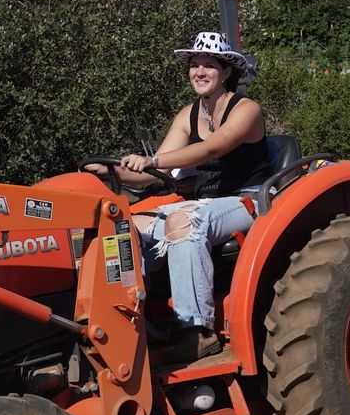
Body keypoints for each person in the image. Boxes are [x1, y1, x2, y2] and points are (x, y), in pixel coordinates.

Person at [113, 31, 271, 362]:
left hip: (248, 201)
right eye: (194, 64)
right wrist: (112, 171)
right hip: (205, 202)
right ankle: (129, 322)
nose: (199, 71)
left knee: (183, 220)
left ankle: (197, 330)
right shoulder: (188, 114)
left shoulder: (246, 109)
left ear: (226, 71)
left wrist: (153, 161)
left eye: (208, 65)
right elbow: (148, 172)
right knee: (124, 226)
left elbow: (213, 147)